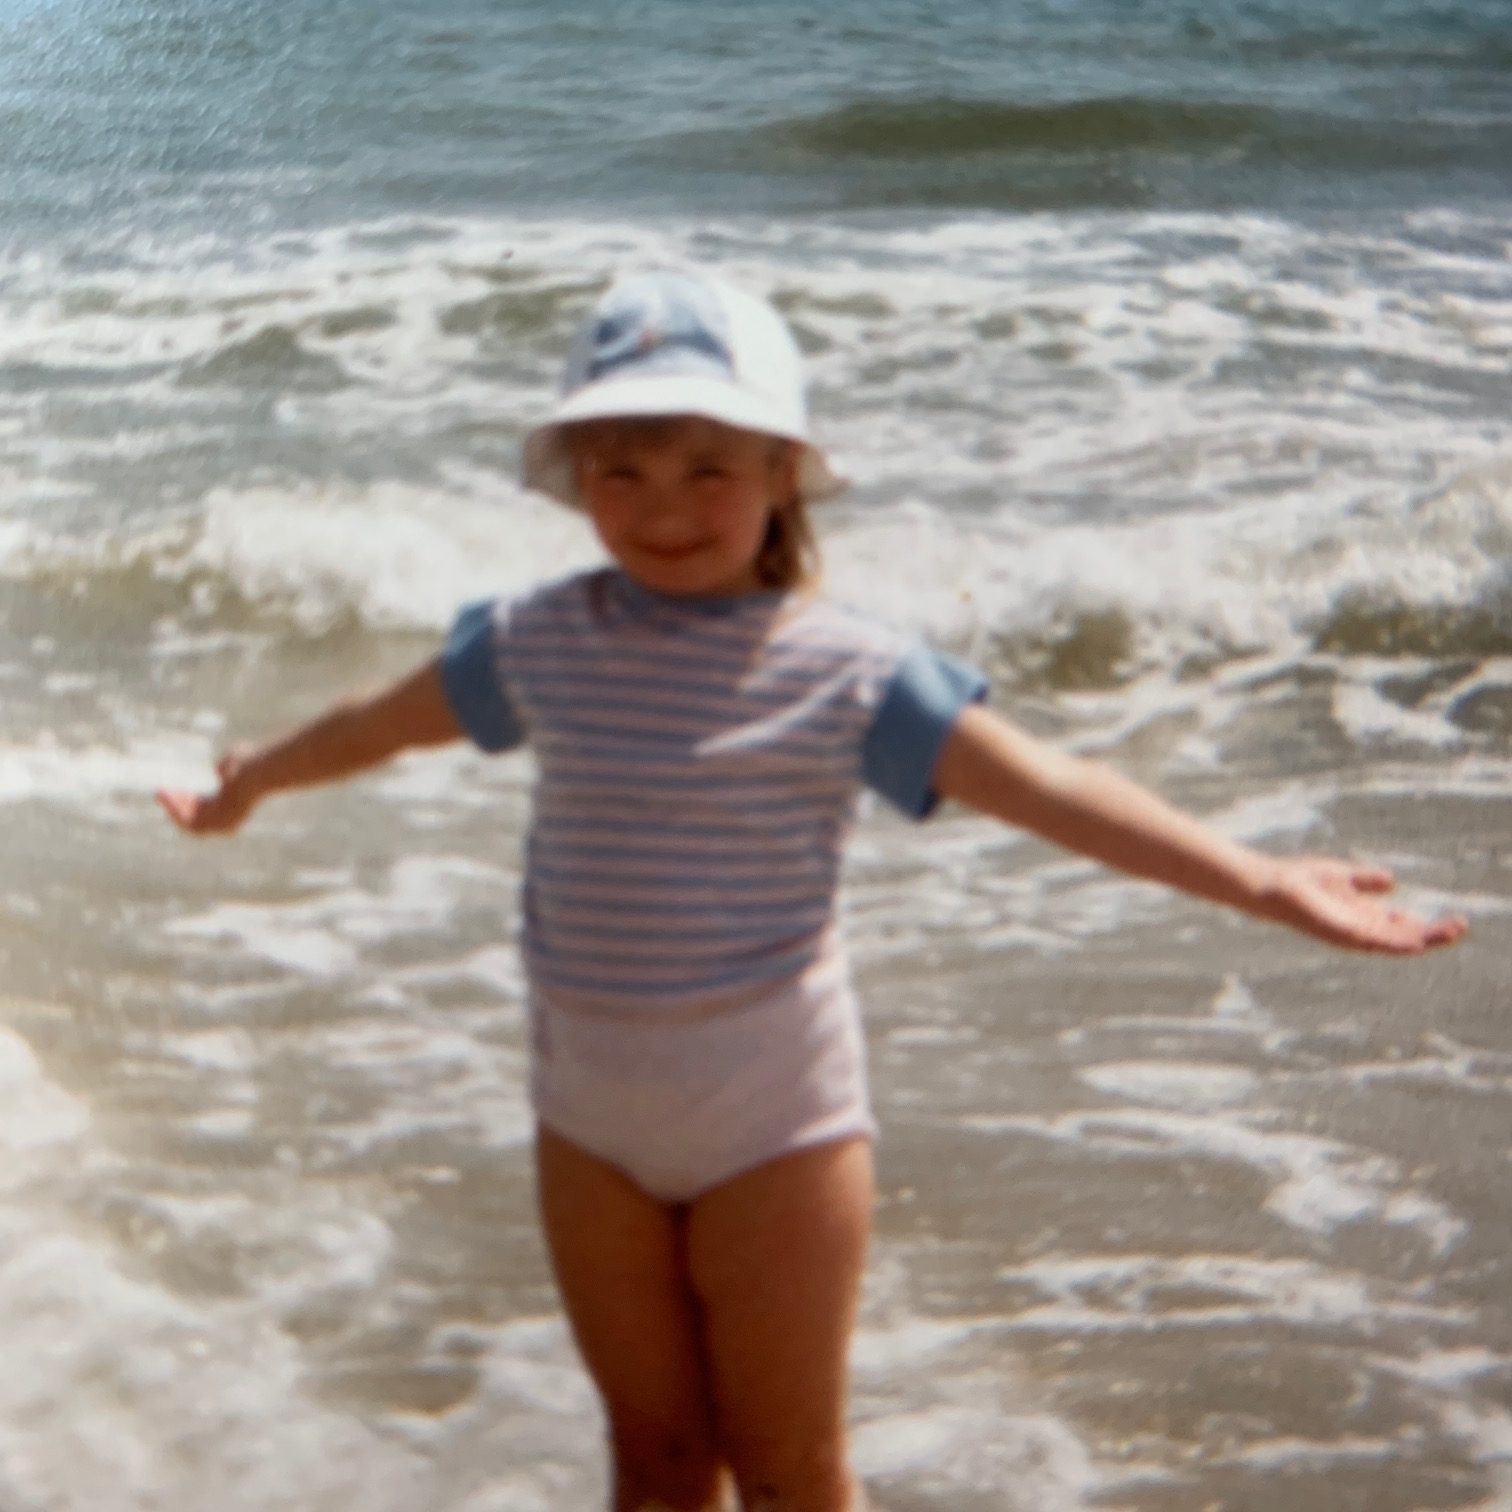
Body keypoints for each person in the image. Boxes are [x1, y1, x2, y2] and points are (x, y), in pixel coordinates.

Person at [158, 270, 1467, 1512]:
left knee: (791, 1473)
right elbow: (377, 723)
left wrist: (1262, 878)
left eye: (709, 469)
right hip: (588, 1119)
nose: (664, 508)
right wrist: (253, 781)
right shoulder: (537, 638)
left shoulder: (849, 670)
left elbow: (1052, 786)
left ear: (783, 472)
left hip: (775, 1126)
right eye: (623, 470)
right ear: (576, 476)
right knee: (657, 1462)